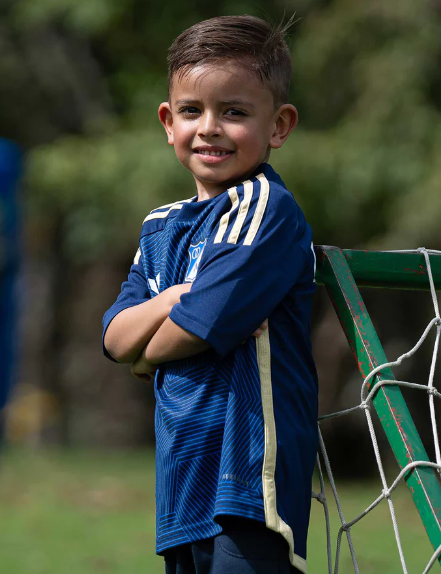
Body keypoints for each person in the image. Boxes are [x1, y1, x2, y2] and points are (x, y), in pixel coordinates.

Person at [102, 15, 318, 574]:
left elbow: (200, 329)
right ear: (168, 122)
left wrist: (148, 350)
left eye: (236, 112)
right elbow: (113, 336)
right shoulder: (161, 226)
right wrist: (174, 298)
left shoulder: (264, 208)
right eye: (193, 111)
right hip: (184, 473)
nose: (211, 128)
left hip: (249, 476)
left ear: (280, 125)